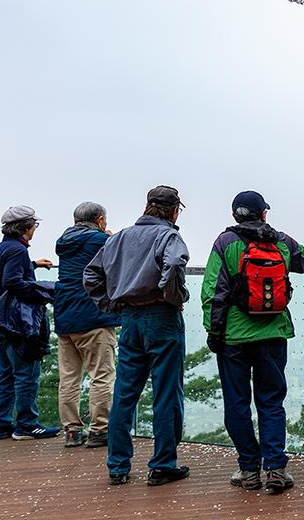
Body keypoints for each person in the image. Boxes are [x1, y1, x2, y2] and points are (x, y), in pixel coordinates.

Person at [202, 190, 304, 494]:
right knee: (271, 401)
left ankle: (249, 470)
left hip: (235, 337)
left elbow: (212, 292)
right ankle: (276, 469)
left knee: (237, 403)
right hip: (274, 333)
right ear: (263, 213)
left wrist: (214, 333)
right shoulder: (281, 242)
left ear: (235, 215)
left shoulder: (225, 243)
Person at [84, 185, 190, 487]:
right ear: (174, 210)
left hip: (130, 319)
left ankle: (118, 466)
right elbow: (173, 264)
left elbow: (91, 275)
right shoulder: (169, 236)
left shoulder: (119, 238)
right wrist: (174, 296)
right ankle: (162, 464)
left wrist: (113, 304)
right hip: (162, 317)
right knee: (166, 392)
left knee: (125, 392)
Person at [0, 205, 58, 441]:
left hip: (1, 320)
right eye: (34, 225)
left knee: (6, 374)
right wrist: (45, 291)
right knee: (27, 374)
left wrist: (33, 264)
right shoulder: (17, 250)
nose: (35, 229)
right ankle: (26, 425)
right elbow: (13, 282)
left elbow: (6, 275)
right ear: (26, 227)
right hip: (18, 323)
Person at [54, 201, 121, 448]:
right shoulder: (100, 240)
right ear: (100, 220)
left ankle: (72, 431)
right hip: (94, 315)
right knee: (101, 375)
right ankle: (100, 430)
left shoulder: (64, 242)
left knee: (69, 378)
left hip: (65, 316)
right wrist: (109, 238)